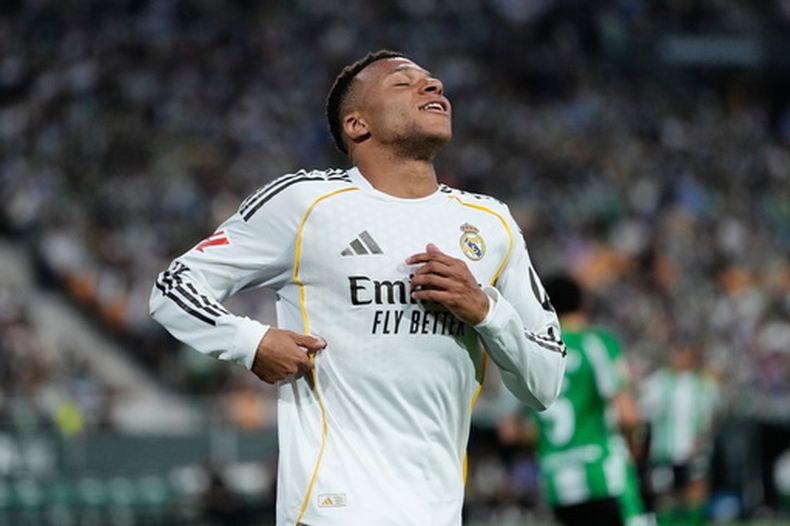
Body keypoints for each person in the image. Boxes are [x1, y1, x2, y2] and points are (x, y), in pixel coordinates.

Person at [149, 49, 567, 525]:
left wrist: (487, 310)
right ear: (356, 125)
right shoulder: (305, 203)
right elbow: (173, 286)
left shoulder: (491, 223)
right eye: (403, 83)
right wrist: (252, 342)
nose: (433, 88)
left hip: (439, 513)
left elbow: (546, 383)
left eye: (432, 81)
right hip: (332, 510)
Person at [499, 274, 653, 526]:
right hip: (602, 475)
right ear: (584, 304)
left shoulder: (532, 350)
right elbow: (628, 416)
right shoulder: (597, 342)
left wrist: (548, 439)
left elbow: (509, 432)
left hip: (557, 482)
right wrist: (635, 447)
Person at [639, 339, 720, 525]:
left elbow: (712, 418)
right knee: (665, 497)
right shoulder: (658, 382)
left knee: (695, 493)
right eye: (678, 352)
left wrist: (701, 442)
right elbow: (644, 415)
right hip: (665, 453)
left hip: (695, 452)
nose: (681, 357)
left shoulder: (704, 385)